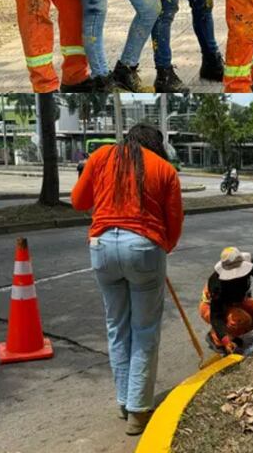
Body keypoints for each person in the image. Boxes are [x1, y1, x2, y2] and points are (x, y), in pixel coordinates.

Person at [70, 123, 183, 435]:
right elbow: (174, 223)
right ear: (156, 145)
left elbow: (79, 202)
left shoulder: (102, 156)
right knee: (144, 330)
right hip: (145, 247)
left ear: (128, 139)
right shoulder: (165, 169)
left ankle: (124, 402)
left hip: (102, 246)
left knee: (116, 327)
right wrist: (160, 251)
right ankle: (137, 410)